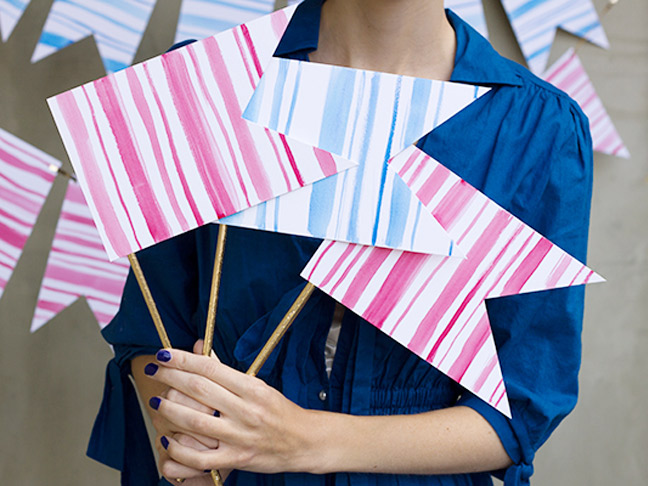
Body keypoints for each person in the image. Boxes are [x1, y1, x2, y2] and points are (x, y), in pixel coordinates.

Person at [87, 0, 594, 485]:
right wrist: (180, 424)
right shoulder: (207, 82)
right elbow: (151, 327)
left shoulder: (538, 127)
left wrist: (302, 440)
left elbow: (521, 409)